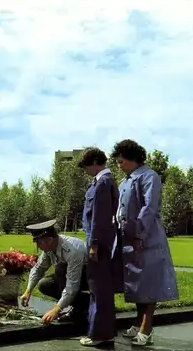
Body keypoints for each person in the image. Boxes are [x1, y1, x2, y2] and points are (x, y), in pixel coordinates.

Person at [111, 139, 179, 346]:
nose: (119, 165)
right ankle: (137, 322)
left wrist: (140, 234)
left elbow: (149, 208)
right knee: (137, 284)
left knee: (149, 284)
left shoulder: (149, 177)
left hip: (146, 238)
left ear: (132, 158)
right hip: (129, 238)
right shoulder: (125, 181)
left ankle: (146, 328)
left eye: (121, 161)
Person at [77, 147, 121, 347]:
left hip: (100, 242)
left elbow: (99, 218)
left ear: (95, 161)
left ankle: (100, 335)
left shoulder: (103, 183)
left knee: (99, 289)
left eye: (86, 166)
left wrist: (93, 245)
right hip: (100, 241)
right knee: (100, 289)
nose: (85, 170)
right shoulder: (102, 182)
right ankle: (104, 332)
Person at [20, 219, 89, 324]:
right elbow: (39, 268)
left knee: (60, 269)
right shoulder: (49, 249)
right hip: (71, 277)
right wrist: (28, 290)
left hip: (91, 276)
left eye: (38, 242)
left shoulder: (73, 250)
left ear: (48, 240)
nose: (38, 246)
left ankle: (84, 305)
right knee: (44, 284)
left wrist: (57, 309)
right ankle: (84, 302)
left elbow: (72, 285)